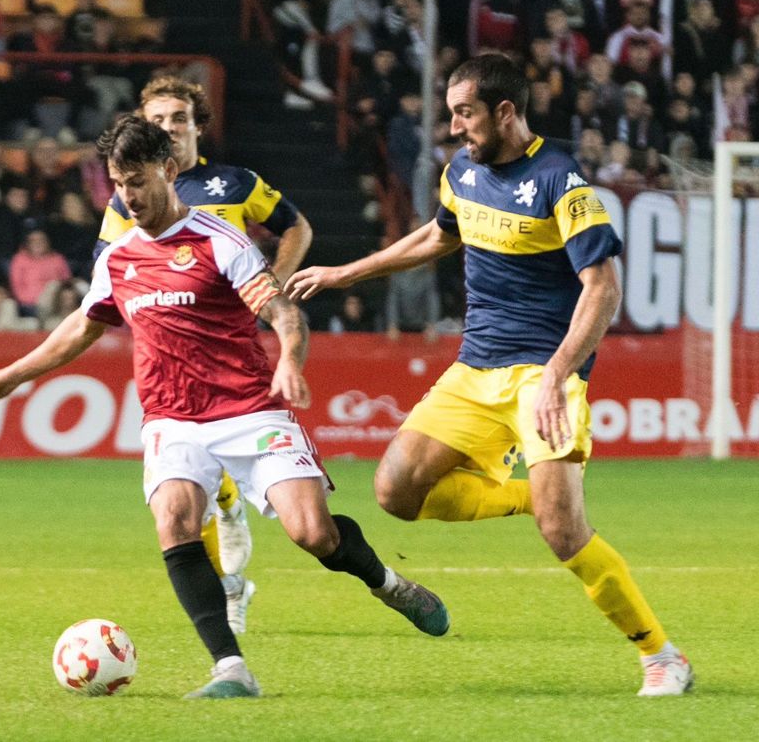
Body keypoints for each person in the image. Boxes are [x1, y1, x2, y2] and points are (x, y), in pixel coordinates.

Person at [0, 115, 449, 698]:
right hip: (173, 418)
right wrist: (12, 376)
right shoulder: (118, 259)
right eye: (119, 184)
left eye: (138, 181)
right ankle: (231, 668)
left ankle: (388, 583)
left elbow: (283, 312)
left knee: (312, 532)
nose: (129, 196)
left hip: (250, 407)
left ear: (169, 171)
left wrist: (289, 361)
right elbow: (80, 327)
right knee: (175, 521)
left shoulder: (221, 240)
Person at [285, 54, 693, 697]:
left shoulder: (562, 181)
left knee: (564, 534)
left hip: (543, 373)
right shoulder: (463, 172)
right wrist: (344, 273)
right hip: (474, 367)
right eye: (451, 113)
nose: (454, 127)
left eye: (465, 113)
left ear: (505, 111)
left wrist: (559, 374)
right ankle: (532, 495)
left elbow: (603, 290)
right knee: (396, 491)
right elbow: (439, 237)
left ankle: (661, 655)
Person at [96, 75, 315, 635]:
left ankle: (235, 551)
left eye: (176, 118)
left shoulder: (236, 182)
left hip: (235, 340)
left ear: (196, 126)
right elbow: (108, 272)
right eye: (156, 120)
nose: (167, 127)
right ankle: (232, 588)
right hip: (173, 348)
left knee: (233, 486)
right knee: (187, 494)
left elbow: (294, 227)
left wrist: (272, 284)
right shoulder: (131, 195)